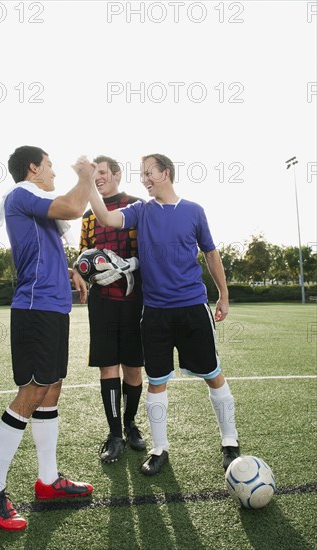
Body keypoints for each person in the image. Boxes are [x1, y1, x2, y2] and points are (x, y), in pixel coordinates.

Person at [88, 153, 241, 476]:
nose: (143, 179)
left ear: (165, 173)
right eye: (141, 174)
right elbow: (105, 217)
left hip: (192, 308)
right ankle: (159, 450)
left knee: (213, 374)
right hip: (155, 312)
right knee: (156, 382)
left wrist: (223, 296)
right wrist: (88, 182)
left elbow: (211, 255)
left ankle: (230, 441)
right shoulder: (141, 212)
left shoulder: (194, 211)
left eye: (148, 173)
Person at [0, 146, 97, 531]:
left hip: (52, 307)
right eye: (49, 167)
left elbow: (38, 252)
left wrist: (68, 270)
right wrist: (86, 176)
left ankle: (48, 480)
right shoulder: (22, 193)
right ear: (33, 169)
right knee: (33, 390)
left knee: (52, 388)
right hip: (35, 309)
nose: (54, 174)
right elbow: (72, 208)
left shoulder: (34, 201)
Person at [79, 156, 145, 464]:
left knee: (133, 368)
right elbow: (84, 255)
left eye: (102, 173)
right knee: (108, 367)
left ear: (117, 174)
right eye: (94, 175)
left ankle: (131, 423)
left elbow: (149, 250)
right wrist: (87, 270)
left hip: (134, 300)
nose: (99, 178)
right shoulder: (88, 216)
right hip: (102, 301)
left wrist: (131, 264)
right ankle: (115, 433)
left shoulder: (136, 205)